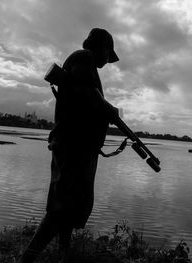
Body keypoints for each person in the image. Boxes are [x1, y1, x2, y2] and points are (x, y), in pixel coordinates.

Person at [19, 28, 120, 263]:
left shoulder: (85, 65)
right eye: (108, 52)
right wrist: (109, 110)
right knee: (62, 204)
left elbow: (85, 96)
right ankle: (27, 258)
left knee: (69, 203)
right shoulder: (83, 58)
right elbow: (88, 95)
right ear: (101, 47)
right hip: (73, 146)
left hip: (78, 147)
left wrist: (105, 110)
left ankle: (64, 252)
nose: (108, 59)